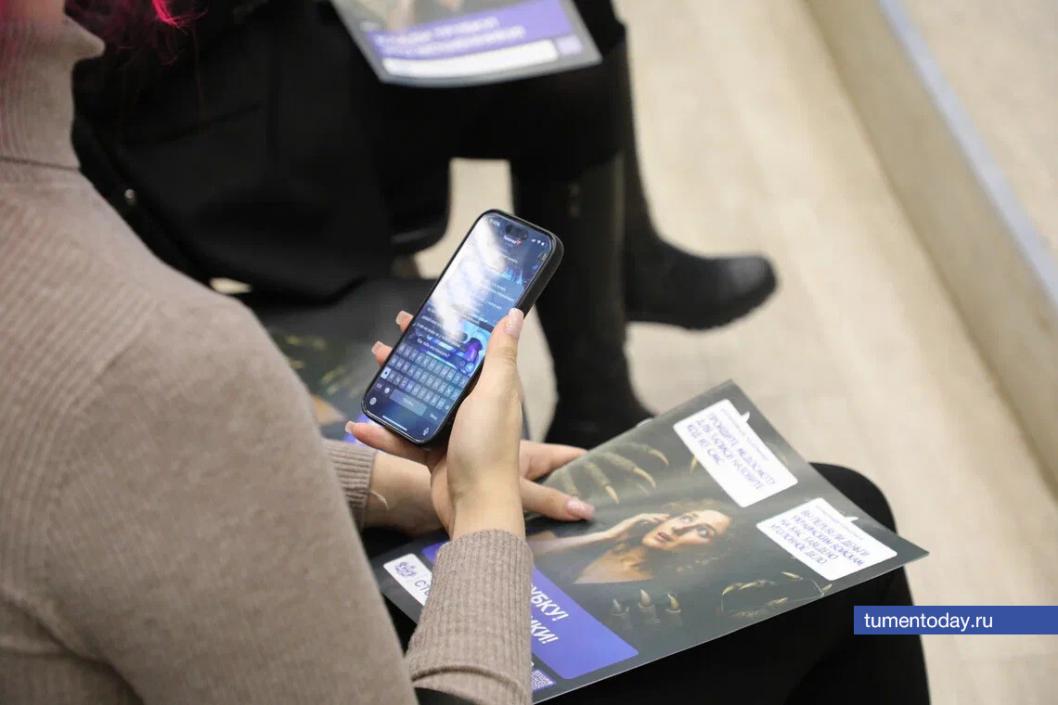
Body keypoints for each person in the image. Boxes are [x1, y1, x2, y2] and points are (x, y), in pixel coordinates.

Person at [0, 4, 593, 703]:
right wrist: (485, 503)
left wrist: (376, 485)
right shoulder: (155, 358)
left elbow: (103, 473)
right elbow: (123, 431)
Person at [70, 0, 778, 448]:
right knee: (562, 70)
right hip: (181, 114)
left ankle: (609, 344)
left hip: (276, 39)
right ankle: (617, 297)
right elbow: (93, 51)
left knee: (569, 20)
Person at [529, 501, 735, 584]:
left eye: (702, 531)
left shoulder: (657, 594)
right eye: (687, 518)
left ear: (708, 552)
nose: (679, 528)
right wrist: (607, 536)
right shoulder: (599, 529)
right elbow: (520, 551)